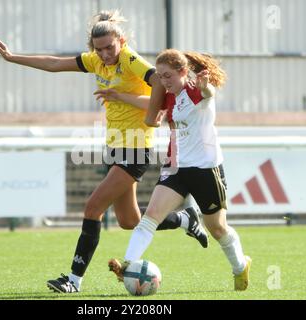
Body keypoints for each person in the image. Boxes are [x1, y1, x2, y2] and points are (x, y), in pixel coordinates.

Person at [0, 10, 208, 294]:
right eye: (98, 49)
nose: (104, 54)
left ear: (121, 41)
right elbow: (55, 63)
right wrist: (12, 57)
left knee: (93, 207)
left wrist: (131, 102)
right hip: (114, 145)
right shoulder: (95, 61)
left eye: (109, 48)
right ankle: (184, 219)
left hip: (136, 148)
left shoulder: (130, 60)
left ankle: (73, 280)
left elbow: (160, 90)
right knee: (130, 221)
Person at [108, 49, 252, 291]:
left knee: (216, 228)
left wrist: (206, 86)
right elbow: (150, 104)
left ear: (183, 72)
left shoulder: (196, 89)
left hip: (206, 168)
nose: (164, 81)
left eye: (168, 76)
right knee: (150, 217)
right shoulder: (169, 95)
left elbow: (209, 92)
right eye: (160, 77)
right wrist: (119, 96)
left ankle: (240, 267)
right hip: (176, 167)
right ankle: (128, 265)